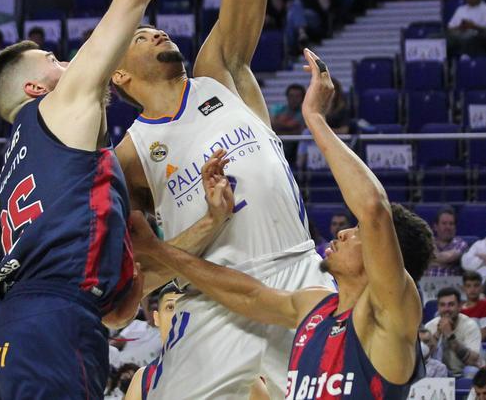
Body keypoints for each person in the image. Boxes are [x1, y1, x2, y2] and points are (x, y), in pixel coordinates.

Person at [112, 0, 334, 400]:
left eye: (154, 24)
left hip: (297, 279)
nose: (153, 29)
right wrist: (204, 228)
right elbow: (138, 272)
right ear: (119, 77)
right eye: (139, 33)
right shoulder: (128, 157)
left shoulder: (219, 71)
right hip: (208, 305)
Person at [0, 0, 205, 400]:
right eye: (52, 59)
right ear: (34, 89)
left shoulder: (20, 162)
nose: (67, 64)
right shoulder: (59, 108)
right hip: (49, 327)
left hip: (7, 335)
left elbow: (113, 312)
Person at [129, 48, 434, 399]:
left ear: (387, 256)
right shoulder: (315, 308)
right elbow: (245, 293)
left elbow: (373, 209)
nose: (344, 232)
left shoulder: (390, 318)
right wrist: (159, 250)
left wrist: (315, 117)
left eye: (359, 234)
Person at [423, 287, 483, 377]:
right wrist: (438, 334)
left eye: (451, 305)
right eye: (442, 305)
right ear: (438, 307)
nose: (446, 309)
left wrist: (450, 335)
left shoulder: (470, 326)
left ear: (459, 306)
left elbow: (472, 361)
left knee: (472, 371)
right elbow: (423, 358)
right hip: (438, 373)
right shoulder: (430, 326)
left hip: (463, 372)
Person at [427, 207, 469, 277]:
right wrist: (447, 264)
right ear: (435, 227)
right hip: (426, 286)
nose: (448, 227)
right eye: (444, 223)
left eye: (451, 224)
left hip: (451, 286)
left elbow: (448, 258)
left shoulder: (461, 244)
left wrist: (429, 261)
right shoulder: (428, 243)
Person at [461, 271, 486, 335]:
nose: (472, 289)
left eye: (476, 286)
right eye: (468, 286)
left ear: (481, 288)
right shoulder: (457, 308)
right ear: (463, 288)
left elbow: (483, 334)